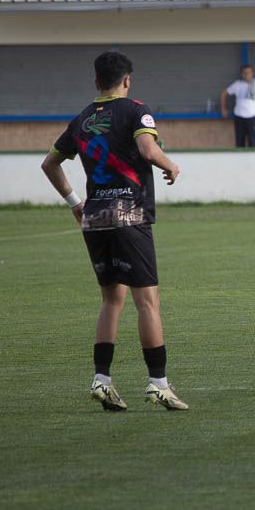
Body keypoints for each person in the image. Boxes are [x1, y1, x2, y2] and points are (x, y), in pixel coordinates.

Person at [39, 50, 187, 411]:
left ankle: (102, 380)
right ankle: (158, 384)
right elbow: (146, 148)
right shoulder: (136, 110)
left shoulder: (82, 119)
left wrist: (76, 202)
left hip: (94, 218)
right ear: (127, 80)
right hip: (129, 215)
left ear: (95, 82)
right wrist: (171, 165)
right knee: (147, 301)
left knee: (111, 299)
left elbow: (49, 163)